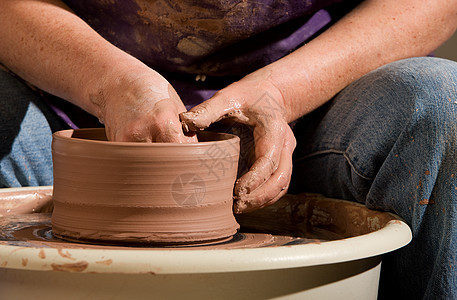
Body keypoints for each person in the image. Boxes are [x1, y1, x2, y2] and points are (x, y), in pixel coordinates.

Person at [1, 0, 457, 298]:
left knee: (439, 100)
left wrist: (280, 92)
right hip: (78, 100)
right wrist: (110, 84)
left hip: (313, 91)